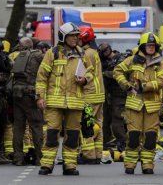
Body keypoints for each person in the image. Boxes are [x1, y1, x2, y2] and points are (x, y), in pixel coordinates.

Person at [36, 22, 92, 176]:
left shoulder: (82, 54)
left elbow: (90, 73)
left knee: (73, 136)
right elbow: (41, 77)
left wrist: (85, 79)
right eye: (72, 36)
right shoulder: (52, 53)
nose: (75, 39)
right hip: (54, 102)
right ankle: (47, 165)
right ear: (63, 37)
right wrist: (40, 97)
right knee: (51, 134)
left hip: (75, 102)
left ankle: (70, 166)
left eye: (76, 36)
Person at [114, 32, 163, 174]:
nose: (151, 48)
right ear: (142, 46)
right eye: (148, 45)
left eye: (153, 46)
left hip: (152, 106)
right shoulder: (131, 60)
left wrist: (145, 86)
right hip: (134, 105)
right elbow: (117, 71)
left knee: (150, 137)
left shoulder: (159, 62)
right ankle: (130, 165)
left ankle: (147, 165)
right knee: (133, 136)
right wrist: (126, 85)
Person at [11, 37, 44, 166]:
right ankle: (40, 158)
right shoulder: (37, 56)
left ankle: (18, 158)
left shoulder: (18, 56)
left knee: (18, 127)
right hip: (30, 95)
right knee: (36, 126)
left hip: (17, 94)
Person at [78, 26, 105, 164]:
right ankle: (97, 154)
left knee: (86, 124)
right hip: (99, 94)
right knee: (97, 125)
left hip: (89, 94)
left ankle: (88, 155)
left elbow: (87, 72)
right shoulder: (93, 52)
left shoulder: (86, 53)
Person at [98, 43, 129, 152]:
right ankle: (107, 141)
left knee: (117, 121)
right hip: (110, 96)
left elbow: (118, 74)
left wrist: (104, 74)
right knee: (106, 120)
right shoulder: (107, 62)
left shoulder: (121, 59)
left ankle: (124, 142)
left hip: (120, 95)